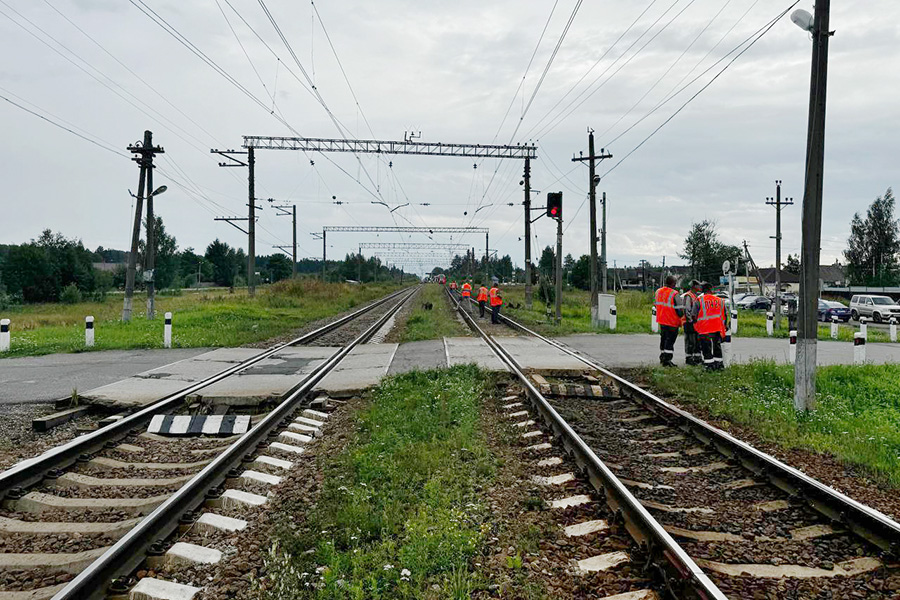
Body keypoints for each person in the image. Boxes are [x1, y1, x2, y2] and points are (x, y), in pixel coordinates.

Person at [695, 282, 728, 370]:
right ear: (711, 289)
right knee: (717, 347)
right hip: (717, 328)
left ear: (702, 290)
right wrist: (724, 326)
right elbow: (725, 315)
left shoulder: (699, 300)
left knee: (706, 348)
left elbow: (694, 315)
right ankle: (719, 365)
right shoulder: (720, 300)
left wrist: (696, 326)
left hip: (704, 328)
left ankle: (709, 366)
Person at [654, 275, 684, 366]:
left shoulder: (658, 291)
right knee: (670, 341)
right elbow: (680, 310)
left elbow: (656, 305)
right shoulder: (675, 294)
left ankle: (662, 357)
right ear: (673, 283)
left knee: (663, 339)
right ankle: (667, 360)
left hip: (662, 320)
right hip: (672, 322)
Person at [682, 280, 703, 366]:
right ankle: (689, 358)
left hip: (694, 322)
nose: (700, 287)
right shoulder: (688, 296)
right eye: (698, 285)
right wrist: (690, 320)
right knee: (690, 341)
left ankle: (697, 358)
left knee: (696, 341)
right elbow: (687, 309)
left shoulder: (695, 296)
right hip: (689, 322)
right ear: (694, 286)